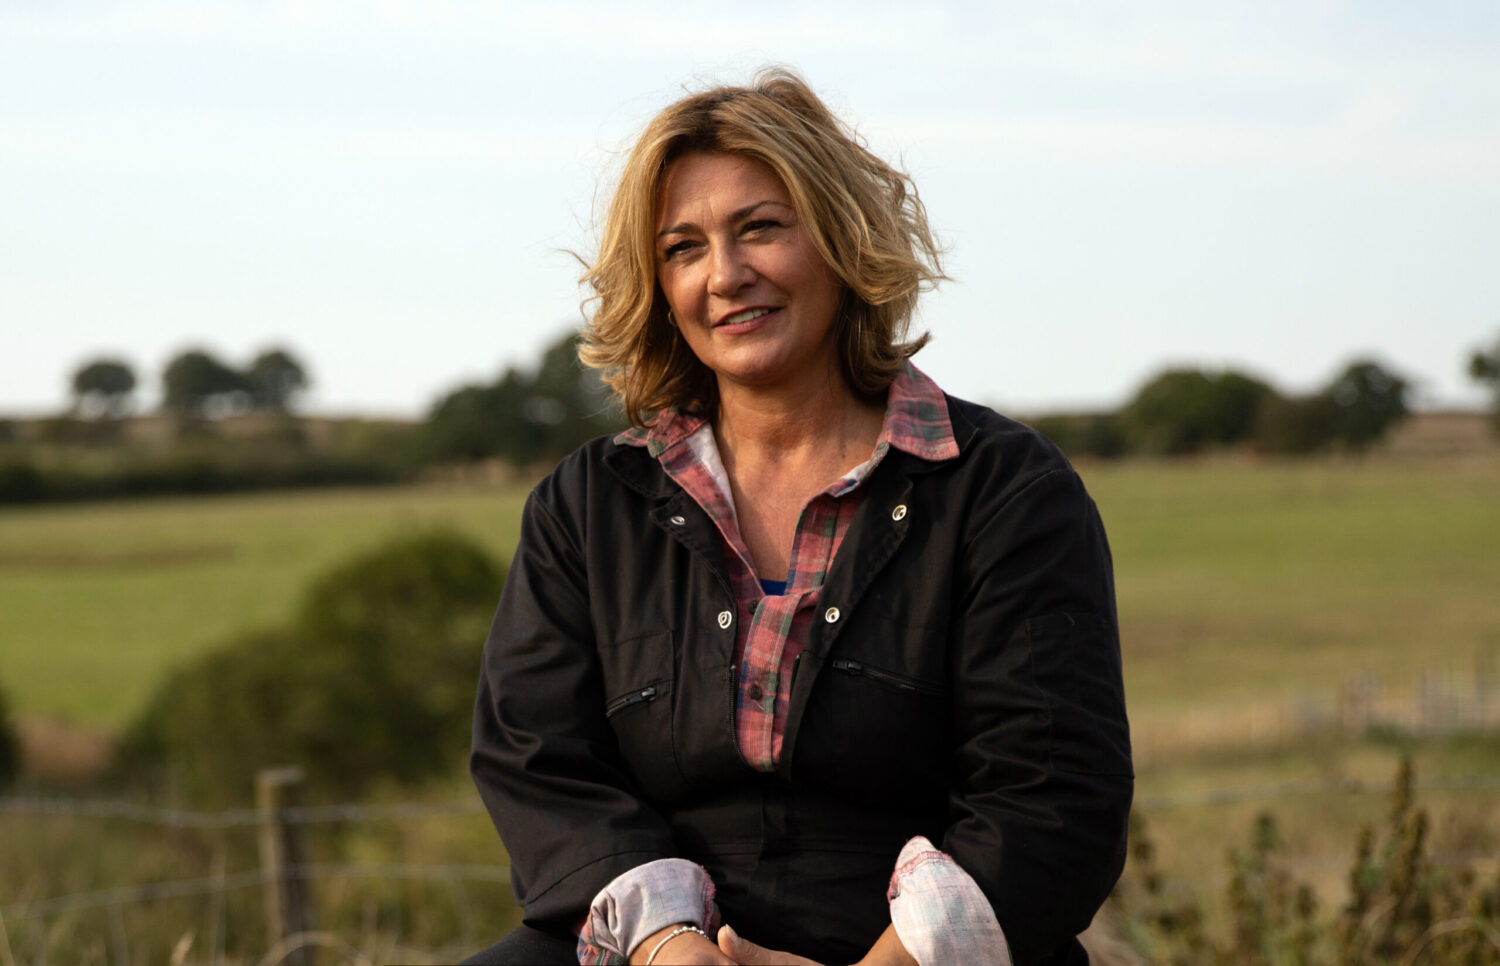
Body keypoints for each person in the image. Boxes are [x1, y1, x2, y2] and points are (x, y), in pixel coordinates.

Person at [466, 68, 1131, 966]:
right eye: (684, 248)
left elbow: (1051, 796)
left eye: (761, 229)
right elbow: (538, 759)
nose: (726, 276)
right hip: (649, 946)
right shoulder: (589, 505)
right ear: (658, 284)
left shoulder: (1005, 491)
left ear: (840, 236)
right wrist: (673, 947)